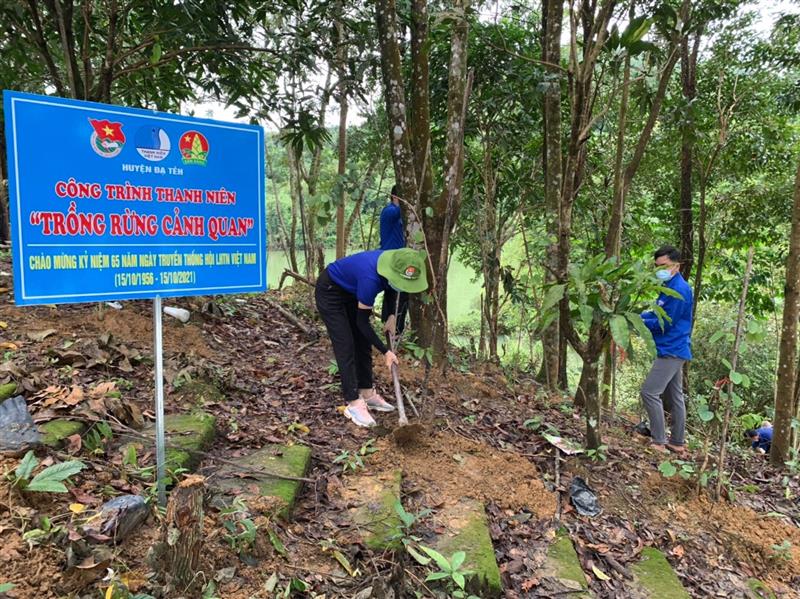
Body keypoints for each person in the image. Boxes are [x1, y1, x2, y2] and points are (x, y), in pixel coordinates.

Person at [315, 248, 428, 427]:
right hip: (330, 291)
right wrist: (385, 351)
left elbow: (396, 288)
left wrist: (391, 315)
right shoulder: (370, 279)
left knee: (363, 342)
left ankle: (367, 393)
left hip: (352, 292)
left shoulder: (395, 263)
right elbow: (362, 322)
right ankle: (353, 402)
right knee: (346, 344)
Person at [640, 245, 694, 455]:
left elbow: (666, 322)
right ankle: (677, 442)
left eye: (663, 266)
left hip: (672, 348)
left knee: (649, 392)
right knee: (675, 395)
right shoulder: (667, 286)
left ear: (676, 266)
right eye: (656, 266)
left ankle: (659, 440)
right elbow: (658, 313)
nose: (658, 270)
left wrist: (639, 320)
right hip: (673, 347)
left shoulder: (679, 290)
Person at [379, 185, 408, 341]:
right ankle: (394, 331)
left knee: (398, 295)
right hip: (390, 260)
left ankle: (394, 330)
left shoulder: (400, 218)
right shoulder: (390, 211)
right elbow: (403, 210)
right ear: (395, 197)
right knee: (398, 295)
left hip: (398, 261)